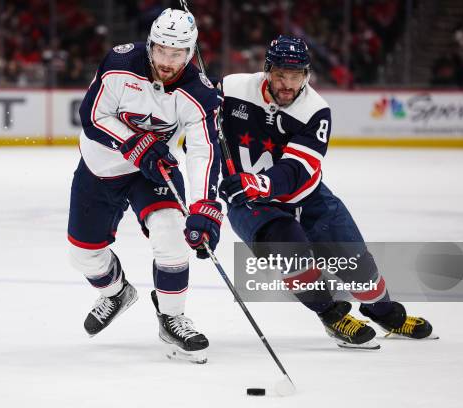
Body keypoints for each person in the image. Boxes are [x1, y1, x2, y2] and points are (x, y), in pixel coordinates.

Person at [218, 36, 436, 349]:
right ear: (266, 70)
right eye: (280, 74)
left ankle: (385, 312)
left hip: (309, 199)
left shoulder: (316, 110)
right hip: (252, 204)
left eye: (296, 76)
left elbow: (297, 169)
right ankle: (332, 316)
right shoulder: (232, 88)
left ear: (306, 75)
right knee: (291, 250)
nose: (287, 84)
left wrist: (260, 182)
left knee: (357, 265)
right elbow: (191, 102)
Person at [68, 8, 222, 363]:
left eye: (177, 53)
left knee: (172, 234)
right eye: (161, 51)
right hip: (100, 167)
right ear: (150, 45)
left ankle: (171, 317)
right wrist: (137, 144)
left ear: (190, 51)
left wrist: (203, 208)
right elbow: (92, 116)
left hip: (153, 172)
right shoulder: (120, 63)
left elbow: (203, 152)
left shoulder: (199, 92)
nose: (167, 62)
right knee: (83, 254)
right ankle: (117, 292)